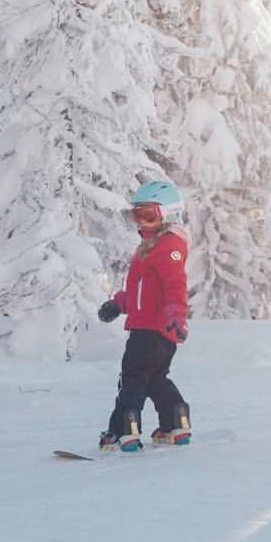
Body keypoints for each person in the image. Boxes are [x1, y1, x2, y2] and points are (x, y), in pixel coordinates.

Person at [96, 181, 192, 452]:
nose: (141, 222)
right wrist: (118, 304)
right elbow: (142, 293)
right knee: (154, 379)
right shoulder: (151, 248)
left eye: (148, 215)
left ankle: (122, 431)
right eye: (135, 215)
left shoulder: (168, 247)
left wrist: (178, 317)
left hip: (152, 329)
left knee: (132, 379)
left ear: (168, 214)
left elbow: (175, 286)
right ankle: (176, 422)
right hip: (156, 328)